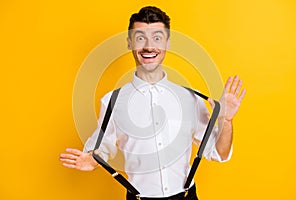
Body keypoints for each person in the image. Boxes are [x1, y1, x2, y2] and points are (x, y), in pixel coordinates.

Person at [59, 6, 246, 200]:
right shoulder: (112, 101)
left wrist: (226, 120)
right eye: (140, 38)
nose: (149, 46)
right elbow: (101, 147)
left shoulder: (190, 99)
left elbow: (220, 153)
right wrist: (92, 160)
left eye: (157, 38)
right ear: (129, 43)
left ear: (167, 43)